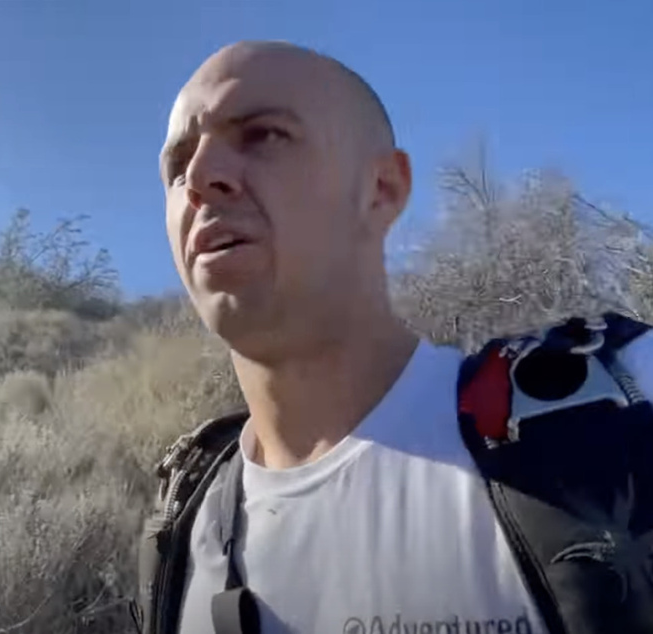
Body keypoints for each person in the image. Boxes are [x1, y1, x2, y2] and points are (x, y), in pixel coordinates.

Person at [152, 40, 653, 634]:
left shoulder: (619, 399)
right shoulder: (184, 523)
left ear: (383, 188)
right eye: (178, 163)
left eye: (262, 135)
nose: (200, 179)